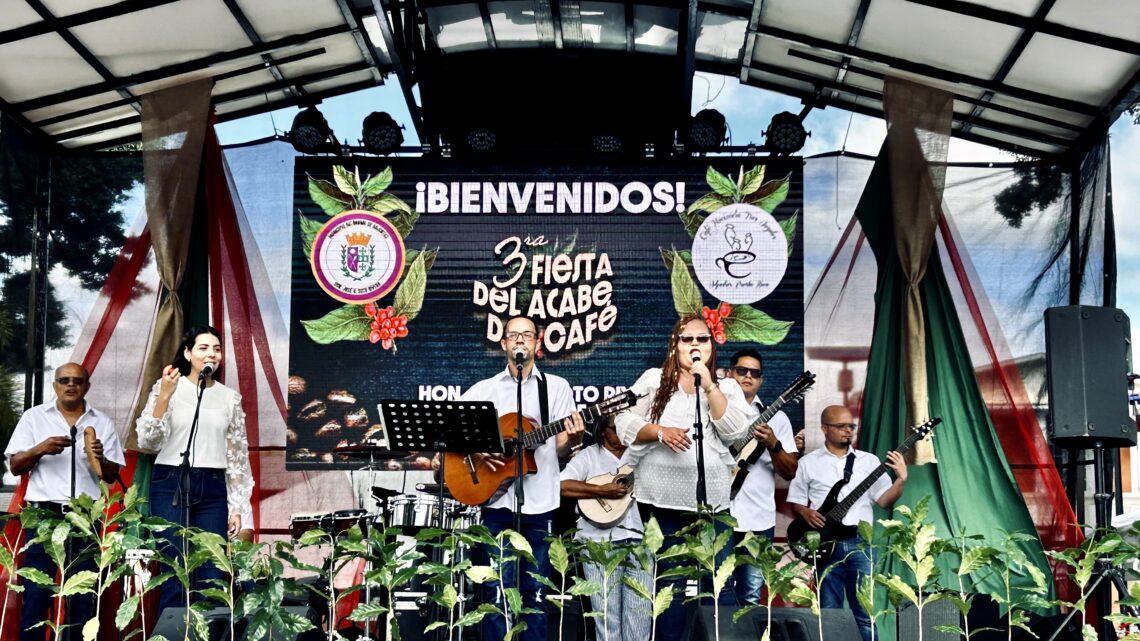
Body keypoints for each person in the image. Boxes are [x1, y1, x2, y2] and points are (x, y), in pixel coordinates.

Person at [614, 315, 751, 641]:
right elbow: (622, 422)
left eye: (701, 339)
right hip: (659, 503)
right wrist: (659, 432)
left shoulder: (725, 385)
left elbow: (736, 431)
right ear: (675, 346)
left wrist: (709, 383)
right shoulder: (653, 381)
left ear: (711, 345)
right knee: (668, 589)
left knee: (718, 585)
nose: (694, 345)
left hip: (712, 506)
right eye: (686, 339)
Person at [460, 316, 585, 641]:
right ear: (503, 344)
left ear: (537, 344)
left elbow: (560, 452)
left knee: (536, 596)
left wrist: (572, 439)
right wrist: (476, 453)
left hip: (540, 504)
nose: (519, 340)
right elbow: (453, 437)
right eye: (513, 335)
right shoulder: (482, 390)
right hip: (495, 502)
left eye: (526, 335)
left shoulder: (556, 388)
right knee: (495, 592)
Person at [136, 325, 253, 613]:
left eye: (217, 348)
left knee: (211, 573)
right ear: (188, 353)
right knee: (175, 569)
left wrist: (238, 506)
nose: (211, 354)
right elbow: (148, 442)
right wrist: (164, 395)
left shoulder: (229, 398)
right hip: (171, 481)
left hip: (213, 485)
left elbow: (237, 456)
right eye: (203, 348)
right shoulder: (168, 388)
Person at [4, 362, 124, 641]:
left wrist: (101, 457)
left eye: (78, 381)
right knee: (36, 595)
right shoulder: (34, 418)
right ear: (55, 385)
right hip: (44, 517)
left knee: (81, 601)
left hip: (85, 518)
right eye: (65, 380)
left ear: (87, 386)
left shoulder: (102, 422)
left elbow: (111, 475)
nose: (71, 385)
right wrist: (40, 448)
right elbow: (15, 466)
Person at [786, 405, 908, 641]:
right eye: (841, 426)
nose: (848, 431)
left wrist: (901, 480)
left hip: (860, 544)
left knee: (864, 613)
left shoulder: (869, 461)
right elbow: (796, 502)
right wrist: (806, 512)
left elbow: (884, 501)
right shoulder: (809, 463)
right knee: (828, 613)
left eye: (851, 426)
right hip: (824, 545)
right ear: (824, 428)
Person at [559, 417, 650, 641]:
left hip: (639, 541)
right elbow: (562, 485)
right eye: (616, 429)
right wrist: (601, 490)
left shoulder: (642, 456)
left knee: (640, 616)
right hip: (597, 544)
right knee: (606, 617)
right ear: (602, 432)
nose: (623, 433)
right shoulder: (589, 455)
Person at [726, 349, 798, 605]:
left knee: (751, 597)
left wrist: (774, 444)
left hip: (757, 519)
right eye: (742, 371)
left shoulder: (777, 418)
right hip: (717, 515)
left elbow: (789, 472)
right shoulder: (713, 414)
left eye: (755, 373)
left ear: (761, 380)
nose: (748, 376)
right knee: (715, 592)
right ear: (729, 373)